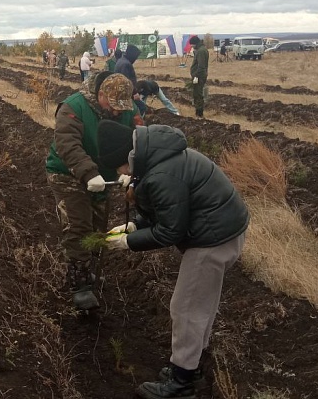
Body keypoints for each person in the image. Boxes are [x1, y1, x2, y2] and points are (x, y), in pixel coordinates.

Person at [96, 121, 248, 399]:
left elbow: (170, 230)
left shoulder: (161, 174)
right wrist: (135, 226)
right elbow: (171, 211)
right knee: (201, 305)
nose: (120, 175)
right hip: (222, 230)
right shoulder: (160, 156)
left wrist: (128, 242)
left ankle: (181, 384)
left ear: (124, 158)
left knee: (186, 308)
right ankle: (191, 365)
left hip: (212, 240)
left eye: (118, 169)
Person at [44, 73, 142, 310]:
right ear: (100, 95)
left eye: (123, 107)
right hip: (67, 173)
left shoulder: (128, 109)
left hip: (104, 177)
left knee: (98, 225)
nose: (118, 112)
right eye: (113, 106)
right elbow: (68, 144)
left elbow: (140, 138)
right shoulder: (73, 107)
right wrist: (88, 173)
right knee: (79, 225)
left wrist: (131, 169)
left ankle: (92, 270)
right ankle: (79, 282)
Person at [189, 35, 209, 118]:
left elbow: (201, 66)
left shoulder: (201, 51)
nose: (192, 47)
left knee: (198, 94)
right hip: (199, 75)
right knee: (197, 94)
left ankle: (199, 114)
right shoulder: (201, 49)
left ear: (195, 43)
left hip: (199, 76)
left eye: (192, 45)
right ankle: (198, 112)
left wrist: (196, 76)